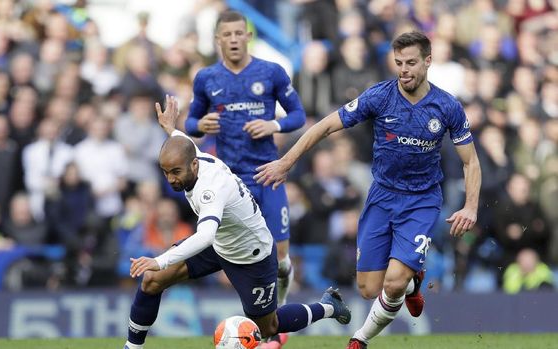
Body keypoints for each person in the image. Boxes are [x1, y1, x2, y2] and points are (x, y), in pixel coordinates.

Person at [255, 31, 482, 349]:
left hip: (422, 200)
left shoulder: (447, 106)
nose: (404, 70)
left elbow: (470, 162)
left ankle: (359, 338)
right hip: (382, 196)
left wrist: (470, 206)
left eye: (411, 63)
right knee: (367, 288)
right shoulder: (380, 96)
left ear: (428, 62)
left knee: (392, 283)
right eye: (399, 63)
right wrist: (287, 161)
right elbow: (324, 126)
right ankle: (412, 284)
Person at [122, 95, 350, 349]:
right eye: (166, 173)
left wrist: (159, 259)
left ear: (194, 165)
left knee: (268, 327)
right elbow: (184, 145)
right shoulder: (193, 159)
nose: (172, 180)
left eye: (176, 172)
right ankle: (132, 348)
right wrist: (170, 128)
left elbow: (205, 235)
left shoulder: (211, 188)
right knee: (152, 279)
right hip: (221, 242)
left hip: (251, 255)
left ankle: (328, 306)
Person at [184, 10, 306, 312]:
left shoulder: (272, 72)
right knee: (236, 255)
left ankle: (281, 306)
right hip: (231, 181)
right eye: (228, 34)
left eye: (240, 33)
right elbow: (189, 123)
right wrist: (201, 125)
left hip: (268, 173)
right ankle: (264, 318)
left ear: (248, 36)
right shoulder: (207, 78)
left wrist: (273, 125)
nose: (234, 39)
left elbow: (298, 115)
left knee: (279, 259)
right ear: (217, 40)